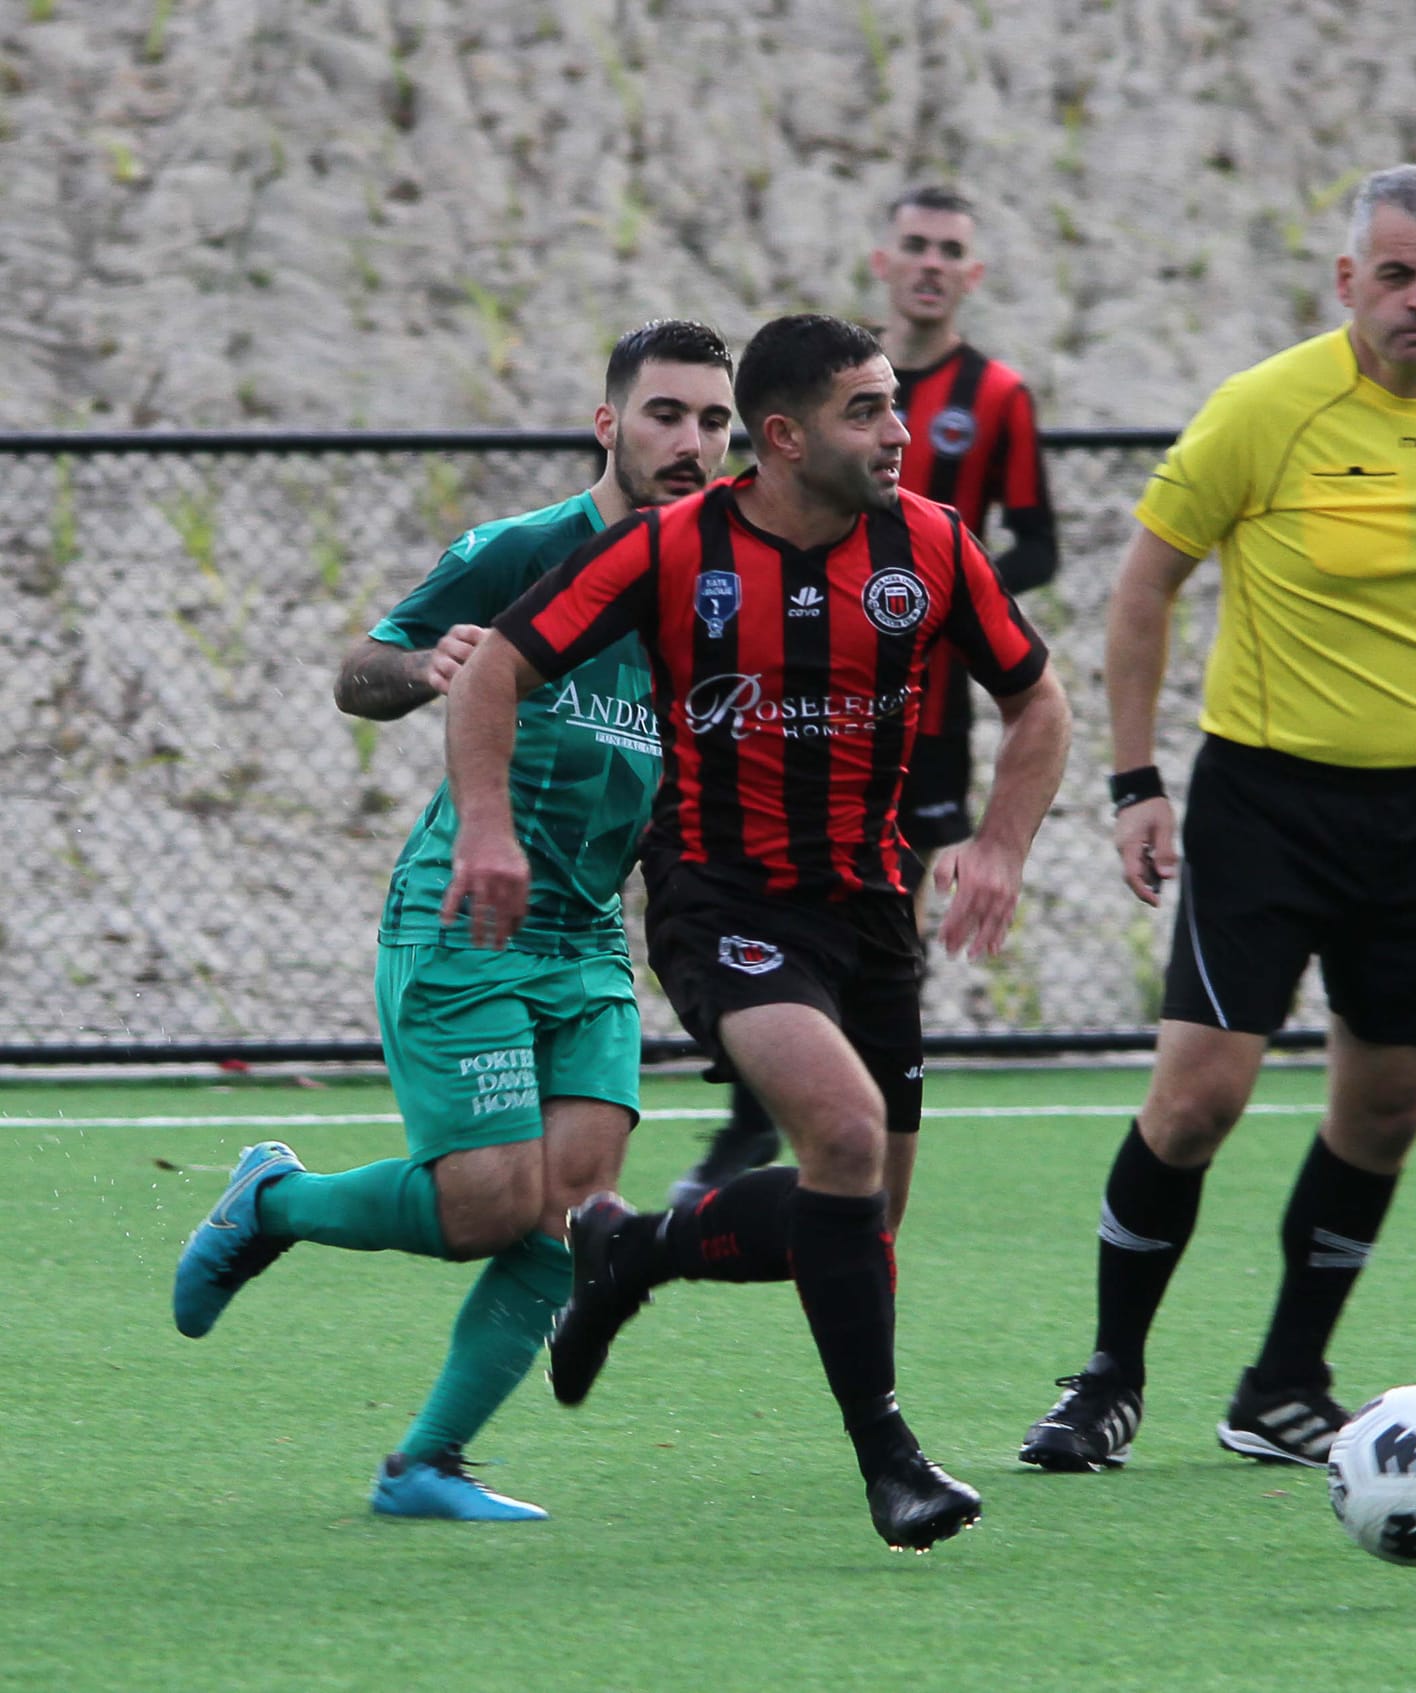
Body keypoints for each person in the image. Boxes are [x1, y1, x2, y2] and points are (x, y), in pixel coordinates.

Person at [443, 313, 1070, 1549]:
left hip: (867, 910)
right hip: (721, 903)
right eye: (867, 411)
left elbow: (1036, 696)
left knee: (864, 1216)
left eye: (895, 404)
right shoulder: (674, 550)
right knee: (838, 1135)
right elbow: (490, 672)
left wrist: (999, 844)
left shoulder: (930, 544)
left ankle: (631, 1253)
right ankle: (891, 1462)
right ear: (783, 439)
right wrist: (485, 827)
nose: (899, 431)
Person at [1019, 165, 1416, 1474]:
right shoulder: (1264, 411)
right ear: (1347, 281)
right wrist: (1134, 781)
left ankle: (1285, 1384)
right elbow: (1144, 588)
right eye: (1397, 273)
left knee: (1386, 1107)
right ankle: (1108, 1376)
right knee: (1196, 1099)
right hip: (1268, 806)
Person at [170, 320, 738, 1521]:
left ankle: (426, 1465)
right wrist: (431, 664)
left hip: (585, 937)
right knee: (483, 1203)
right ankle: (270, 1200)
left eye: (712, 421)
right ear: (609, 425)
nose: (691, 442)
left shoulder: (717, 585)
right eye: (665, 415)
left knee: (572, 1205)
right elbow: (356, 671)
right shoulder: (522, 551)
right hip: (465, 918)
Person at [671, 184, 1059, 1211]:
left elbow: (1042, 541)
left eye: (951, 251)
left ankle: (845, 1109)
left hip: (919, 717)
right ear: (883, 262)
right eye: (915, 246)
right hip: (774, 722)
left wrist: (935, 600)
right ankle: (762, 1117)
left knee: (882, 903)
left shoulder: (998, 398)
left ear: (971, 276)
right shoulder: (825, 383)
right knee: (773, 893)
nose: (931, 264)